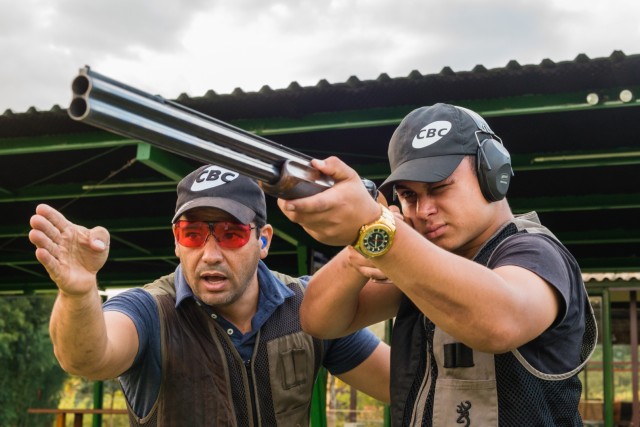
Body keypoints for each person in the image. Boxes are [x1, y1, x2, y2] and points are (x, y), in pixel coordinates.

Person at [277, 103, 597, 426]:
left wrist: (381, 231)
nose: (423, 210)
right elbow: (318, 320)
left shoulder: (536, 251)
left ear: (493, 173)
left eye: (439, 188)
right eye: (408, 195)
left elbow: (500, 320)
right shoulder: (413, 257)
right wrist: (361, 242)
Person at [29, 164, 390, 426]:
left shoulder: (306, 305)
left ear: (262, 239)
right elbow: (86, 358)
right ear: (176, 241)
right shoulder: (151, 310)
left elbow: (400, 382)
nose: (211, 254)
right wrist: (78, 293)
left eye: (231, 234)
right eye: (193, 233)